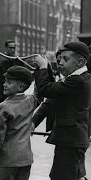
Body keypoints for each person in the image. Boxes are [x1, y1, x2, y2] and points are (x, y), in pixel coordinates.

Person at [33, 41, 91, 180]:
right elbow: (53, 94)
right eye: (59, 60)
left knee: (62, 176)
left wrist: (42, 68)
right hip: (73, 140)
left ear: (80, 61)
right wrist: (45, 69)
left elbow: (46, 90)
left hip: (70, 141)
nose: (60, 63)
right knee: (75, 175)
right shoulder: (76, 79)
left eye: (66, 59)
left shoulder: (77, 81)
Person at [0, 66, 41, 180]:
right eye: (5, 81)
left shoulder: (4, 107)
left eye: (9, 82)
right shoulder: (30, 101)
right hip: (26, 160)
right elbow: (40, 93)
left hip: (8, 161)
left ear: (21, 86)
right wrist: (41, 71)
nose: (4, 84)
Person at [0, 40, 25, 104]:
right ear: (6, 48)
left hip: (8, 90)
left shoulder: (12, 59)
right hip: (4, 90)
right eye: (10, 48)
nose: (12, 50)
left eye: (14, 48)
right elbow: (6, 77)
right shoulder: (5, 60)